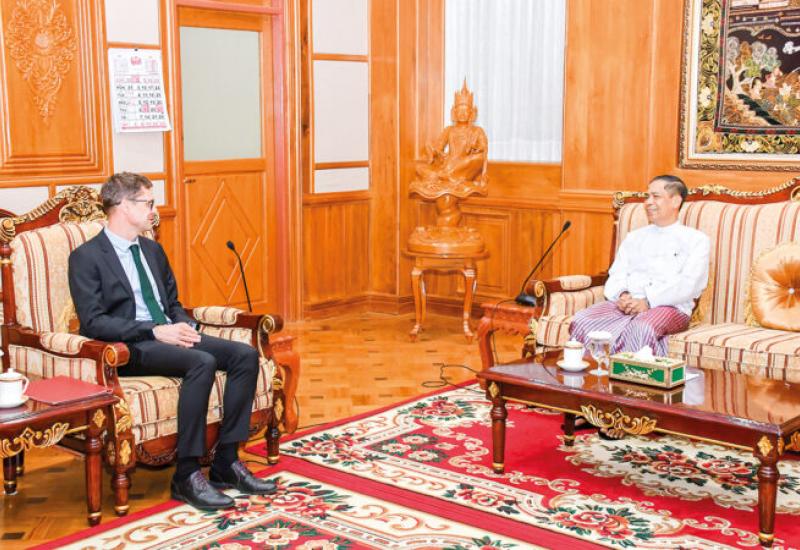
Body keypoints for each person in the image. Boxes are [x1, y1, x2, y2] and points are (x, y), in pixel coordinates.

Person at [68, 172, 275, 511]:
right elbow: (94, 322)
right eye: (147, 203)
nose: (154, 210)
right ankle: (187, 474)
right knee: (202, 362)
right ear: (123, 206)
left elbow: (173, 303)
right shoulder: (86, 257)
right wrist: (154, 331)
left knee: (244, 355)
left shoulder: (152, 250)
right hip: (130, 347)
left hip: (168, 334)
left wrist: (183, 326)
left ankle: (226, 461)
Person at [569, 175, 710, 357]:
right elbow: (617, 273)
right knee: (582, 320)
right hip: (627, 304)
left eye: (655, 196)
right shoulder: (634, 237)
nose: (648, 202)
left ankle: (630, 375)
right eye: (647, 196)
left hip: (670, 307)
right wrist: (623, 295)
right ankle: (594, 372)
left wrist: (648, 301)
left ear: (675, 201)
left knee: (641, 328)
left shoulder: (696, 240)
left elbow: (689, 285)